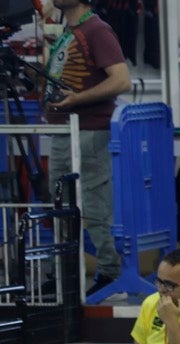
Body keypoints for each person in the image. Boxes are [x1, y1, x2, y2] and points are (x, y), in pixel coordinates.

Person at [42, 0, 128, 293]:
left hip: (88, 131)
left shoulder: (97, 30)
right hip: (66, 130)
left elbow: (121, 80)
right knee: (61, 204)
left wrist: (78, 99)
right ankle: (65, 271)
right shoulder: (71, 30)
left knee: (94, 206)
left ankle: (108, 272)